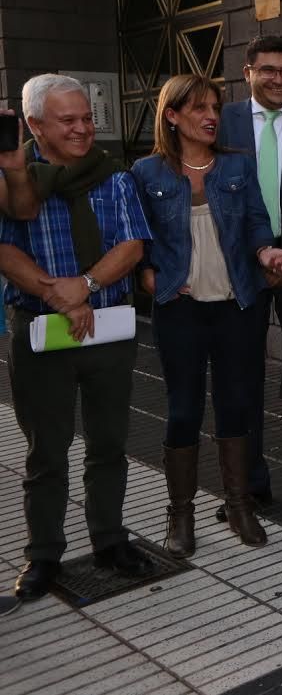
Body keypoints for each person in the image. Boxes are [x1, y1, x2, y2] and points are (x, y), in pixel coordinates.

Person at [132, 74, 282, 555]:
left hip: (237, 306)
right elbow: (134, 235)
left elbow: (256, 222)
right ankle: (180, 514)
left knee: (237, 406)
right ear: (172, 116)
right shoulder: (147, 173)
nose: (211, 116)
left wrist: (267, 252)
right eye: (198, 109)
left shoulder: (237, 167)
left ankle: (239, 504)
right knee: (183, 410)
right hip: (179, 308)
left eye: (213, 107)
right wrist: (145, 271)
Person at [0, 74, 154, 599]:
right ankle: (43, 555)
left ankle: (110, 540)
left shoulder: (114, 177)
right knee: (47, 450)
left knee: (109, 444)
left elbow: (132, 245)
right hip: (43, 332)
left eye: (87, 118)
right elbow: (5, 250)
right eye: (68, 120)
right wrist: (56, 294)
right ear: (35, 125)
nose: (83, 129)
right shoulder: (14, 179)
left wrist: (85, 286)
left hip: (107, 328)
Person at [217, 35, 282, 513]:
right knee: (242, 376)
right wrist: (260, 252)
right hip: (242, 265)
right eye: (269, 70)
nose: (279, 79)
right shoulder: (223, 121)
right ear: (247, 72)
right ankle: (250, 483)